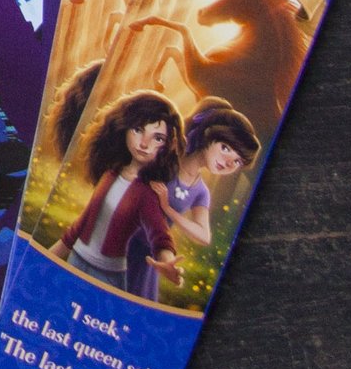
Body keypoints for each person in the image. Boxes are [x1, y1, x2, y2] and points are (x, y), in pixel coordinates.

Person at [53, 92, 183, 296]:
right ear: (124, 127)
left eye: (157, 138)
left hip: (107, 275)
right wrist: (51, 254)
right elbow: (83, 222)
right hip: (76, 259)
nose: (144, 144)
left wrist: (167, 262)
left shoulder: (146, 193)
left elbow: (160, 234)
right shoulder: (110, 174)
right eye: (138, 130)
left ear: (168, 146)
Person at [156, 97, 261, 253]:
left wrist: (168, 209)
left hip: (151, 250)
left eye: (238, 161)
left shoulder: (200, 191)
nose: (229, 163)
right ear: (208, 135)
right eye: (225, 148)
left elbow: (204, 237)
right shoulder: (166, 156)